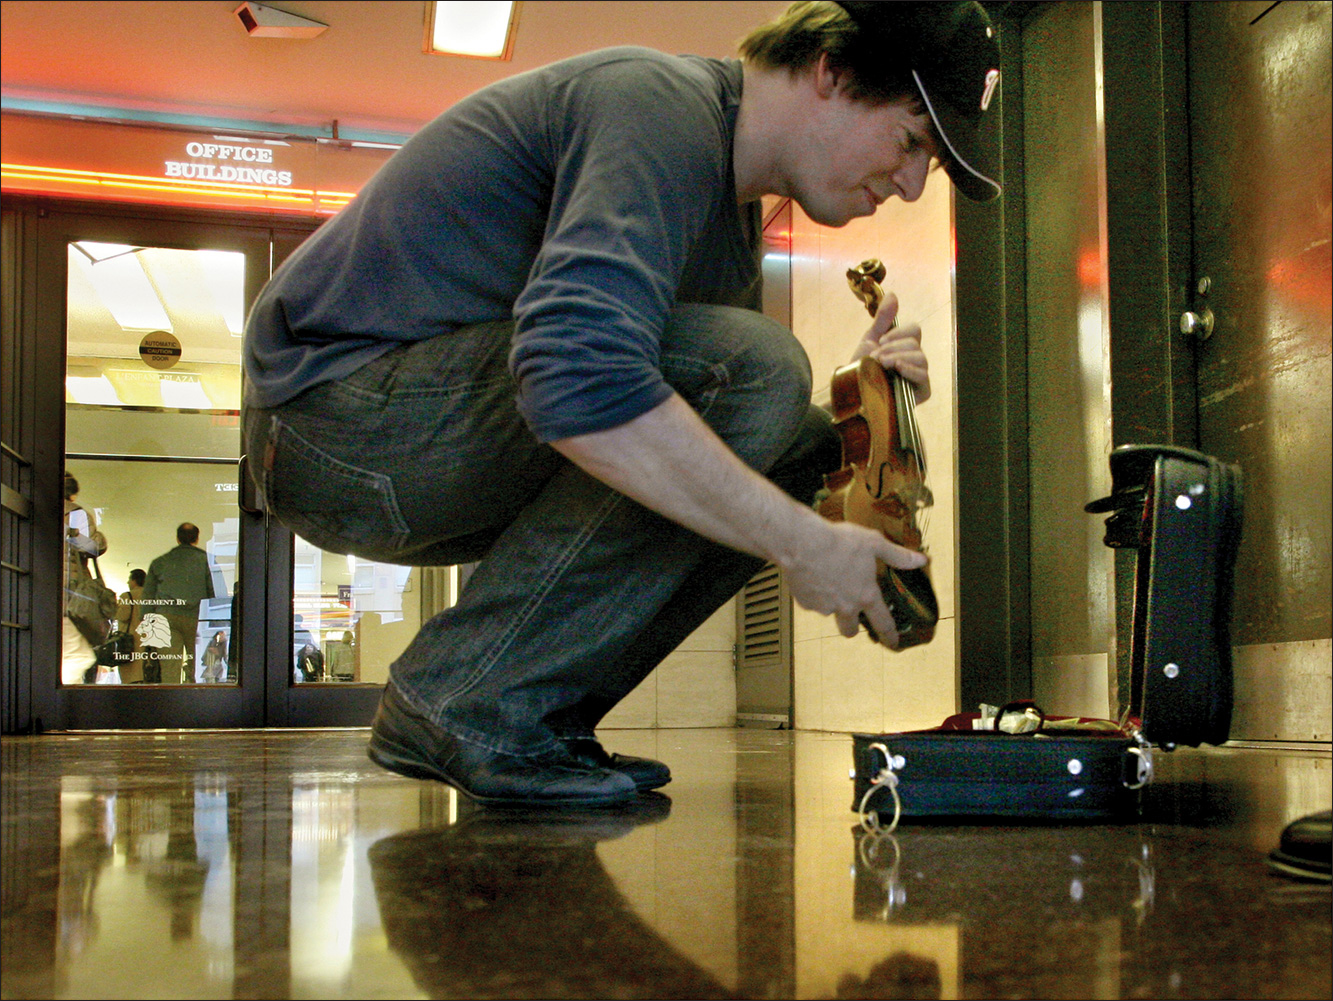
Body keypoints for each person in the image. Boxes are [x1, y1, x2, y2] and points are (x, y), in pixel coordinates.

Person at [241, 1, 1002, 807]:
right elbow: (576, 374)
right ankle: (462, 702)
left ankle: (527, 711)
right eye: (914, 140)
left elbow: (672, 416)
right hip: (330, 423)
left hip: (404, 436)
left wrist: (858, 392)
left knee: (798, 445)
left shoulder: (724, 219)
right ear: (832, 71)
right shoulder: (657, 107)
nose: (915, 184)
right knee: (760, 370)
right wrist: (803, 544)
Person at [141, 523, 215, 684]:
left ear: (177, 538)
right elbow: (214, 594)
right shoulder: (207, 561)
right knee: (197, 662)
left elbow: (148, 597)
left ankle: (172, 702)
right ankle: (193, 694)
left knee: (169, 666)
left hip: (166, 618)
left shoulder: (160, 562)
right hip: (197, 618)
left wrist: (146, 625)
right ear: (196, 539)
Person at [62, 471, 109, 684]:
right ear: (72, 494)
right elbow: (93, 547)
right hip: (72, 596)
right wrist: (98, 537)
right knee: (80, 656)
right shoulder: (75, 513)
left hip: (40, 595)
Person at [116, 568, 148, 683]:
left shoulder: (127, 596)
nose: (128, 583)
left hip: (130, 641)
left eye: (129, 580)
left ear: (134, 581)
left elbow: (123, 616)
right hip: (148, 641)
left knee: (130, 677)